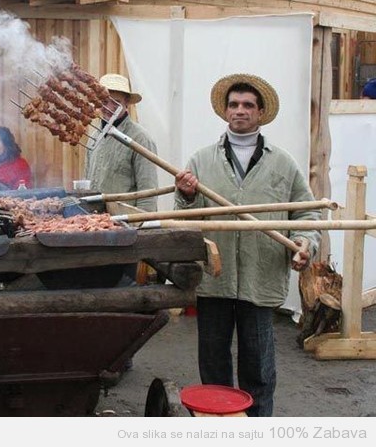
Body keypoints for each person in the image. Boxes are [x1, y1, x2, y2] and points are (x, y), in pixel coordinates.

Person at [174, 73, 321, 417]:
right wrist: (187, 194)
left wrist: (304, 242)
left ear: (260, 112)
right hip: (215, 279)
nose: (240, 111)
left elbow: (308, 212)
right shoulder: (201, 161)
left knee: (258, 368)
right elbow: (186, 218)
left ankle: (258, 429)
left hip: (261, 277)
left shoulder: (282, 163)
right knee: (213, 366)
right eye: (234, 104)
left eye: (248, 105)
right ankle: (217, 426)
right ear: (225, 112)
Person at [85, 73, 159, 212]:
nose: (109, 107)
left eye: (116, 102)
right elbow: (87, 185)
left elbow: (149, 193)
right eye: (105, 101)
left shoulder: (140, 139)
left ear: (126, 104)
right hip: (95, 222)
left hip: (126, 225)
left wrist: (144, 227)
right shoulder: (93, 138)